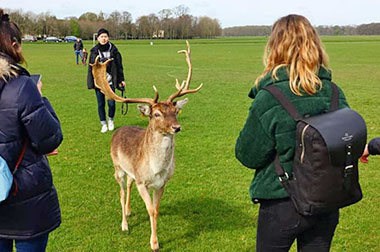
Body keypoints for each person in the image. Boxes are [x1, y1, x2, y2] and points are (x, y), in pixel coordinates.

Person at [235, 14, 349, 252]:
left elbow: (248, 155)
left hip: (282, 204)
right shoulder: (334, 92)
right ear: (315, 45)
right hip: (326, 201)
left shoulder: (269, 97)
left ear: (274, 48)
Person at [0, 9, 63, 252]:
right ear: (14, 45)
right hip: (25, 198)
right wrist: (39, 98)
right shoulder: (22, 86)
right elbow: (50, 139)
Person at [87, 28, 126, 133]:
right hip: (99, 83)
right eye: (101, 37)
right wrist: (91, 82)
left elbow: (119, 66)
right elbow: (91, 68)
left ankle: (111, 120)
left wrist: (121, 80)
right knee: (100, 104)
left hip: (110, 82)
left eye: (105, 36)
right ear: (98, 38)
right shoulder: (94, 51)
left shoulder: (114, 50)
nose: (103, 39)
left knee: (111, 104)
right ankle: (103, 124)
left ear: (108, 38)